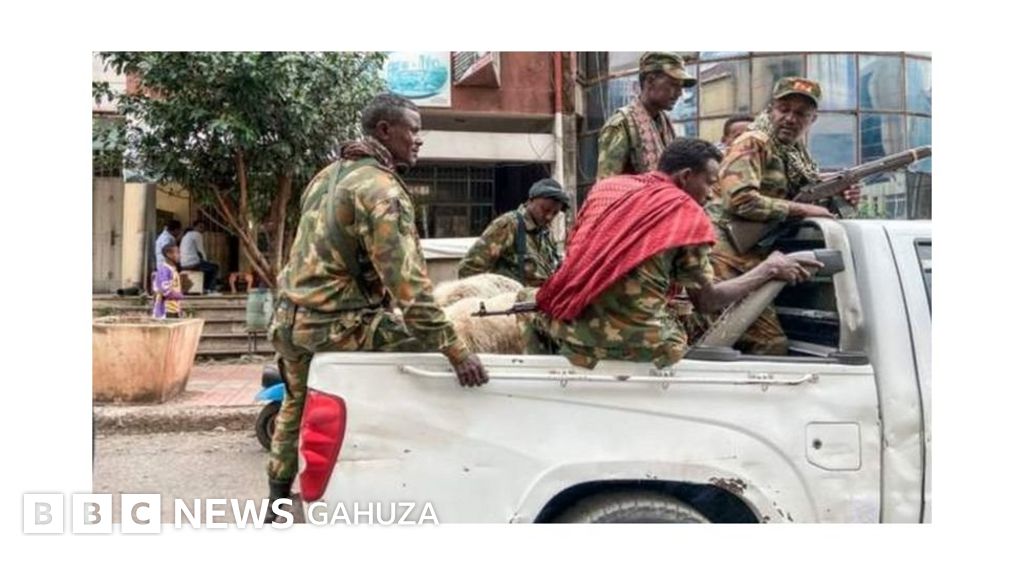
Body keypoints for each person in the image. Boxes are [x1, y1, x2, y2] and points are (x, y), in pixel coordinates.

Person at [263, 92, 489, 521]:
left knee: (294, 406)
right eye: (414, 130)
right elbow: (410, 289)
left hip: (289, 320)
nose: (419, 140)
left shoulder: (327, 175)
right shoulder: (381, 190)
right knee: (444, 343)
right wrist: (458, 351)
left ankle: (275, 505)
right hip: (336, 324)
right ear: (385, 131)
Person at [529, 138, 819, 369]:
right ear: (685, 176)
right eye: (710, 182)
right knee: (689, 331)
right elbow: (707, 301)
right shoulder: (686, 214)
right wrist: (769, 268)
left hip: (566, 331)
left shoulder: (606, 189)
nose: (711, 193)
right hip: (640, 345)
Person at [709, 77, 861, 355]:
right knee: (766, 343)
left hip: (756, 255)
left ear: (813, 119)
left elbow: (802, 194)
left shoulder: (795, 155)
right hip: (726, 253)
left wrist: (841, 196)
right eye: (784, 109)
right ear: (771, 110)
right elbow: (742, 200)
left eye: (801, 113)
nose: (790, 118)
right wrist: (803, 209)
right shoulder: (753, 142)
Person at [596, 52, 696, 180]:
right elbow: (606, 186)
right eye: (673, 85)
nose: (679, 93)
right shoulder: (621, 125)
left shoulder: (666, 126)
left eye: (680, 87)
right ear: (650, 81)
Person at [457, 178, 568, 287]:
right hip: (510, 297)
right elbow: (469, 269)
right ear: (530, 201)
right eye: (545, 210)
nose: (549, 217)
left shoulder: (545, 233)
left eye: (555, 213)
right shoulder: (509, 225)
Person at [179, 221, 220, 294]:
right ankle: (210, 289)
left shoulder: (186, 235)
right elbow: (201, 250)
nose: (202, 229)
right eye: (200, 227)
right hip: (192, 263)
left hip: (183, 263)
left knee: (207, 267)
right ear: (194, 227)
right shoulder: (197, 234)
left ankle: (204, 287)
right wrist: (206, 261)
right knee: (215, 267)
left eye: (203, 227)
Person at [152, 242, 184, 319]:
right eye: (177, 252)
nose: (179, 255)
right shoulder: (164, 270)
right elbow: (166, 291)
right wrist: (180, 295)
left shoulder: (173, 270)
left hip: (174, 309)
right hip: (166, 310)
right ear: (169, 254)